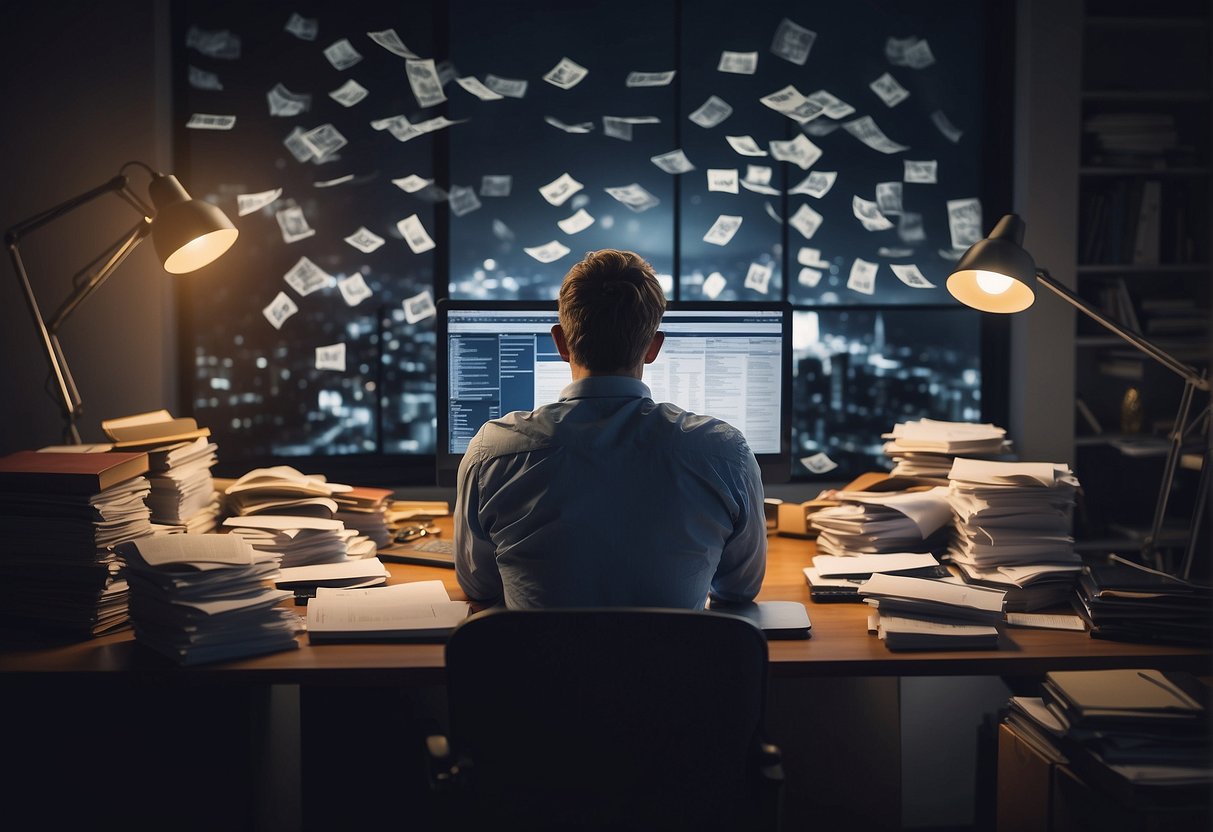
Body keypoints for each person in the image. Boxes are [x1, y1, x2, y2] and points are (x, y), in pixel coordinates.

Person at [453, 248, 767, 609]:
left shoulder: (492, 453)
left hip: (540, 665)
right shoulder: (724, 453)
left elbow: (480, 588)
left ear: (560, 343)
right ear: (653, 348)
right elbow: (739, 590)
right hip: (675, 666)